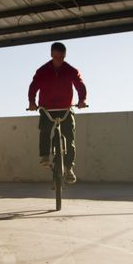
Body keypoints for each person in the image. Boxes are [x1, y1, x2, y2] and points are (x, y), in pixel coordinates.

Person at [28, 42, 87, 184]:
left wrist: (82, 100)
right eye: (55, 57)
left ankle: (69, 168)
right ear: (51, 54)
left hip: (65, 108)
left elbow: (80, 85)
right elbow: (33, 86)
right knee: (45, 130)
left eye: (61, 57)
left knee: (70, 136)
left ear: (65, 56)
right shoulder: (42, 70)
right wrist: (32, 102)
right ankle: (44, 156)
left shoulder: (71, 70)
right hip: (47, 109)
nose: (58, 60)